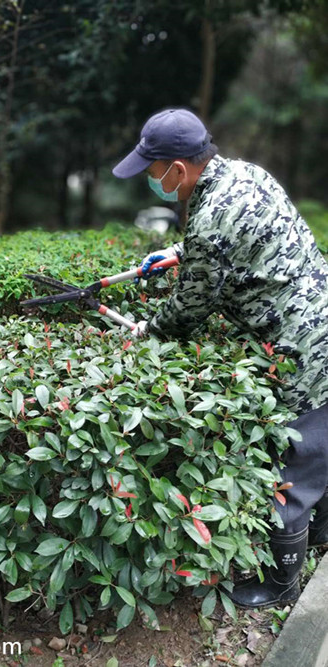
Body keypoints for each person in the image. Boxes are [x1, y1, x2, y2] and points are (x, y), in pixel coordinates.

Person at [112, 107, 328, 609]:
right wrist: (182, 253)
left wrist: (147, 329)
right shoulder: (247, 174)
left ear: (178, 170)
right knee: (324, 445)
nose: (152, 179)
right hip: (322, 324)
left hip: (302, 351)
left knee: (298, 464)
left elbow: (187, 310)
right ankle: (319, 536)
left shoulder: (210, 221)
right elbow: (241, 240)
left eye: (152, 170)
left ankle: (278, 587)